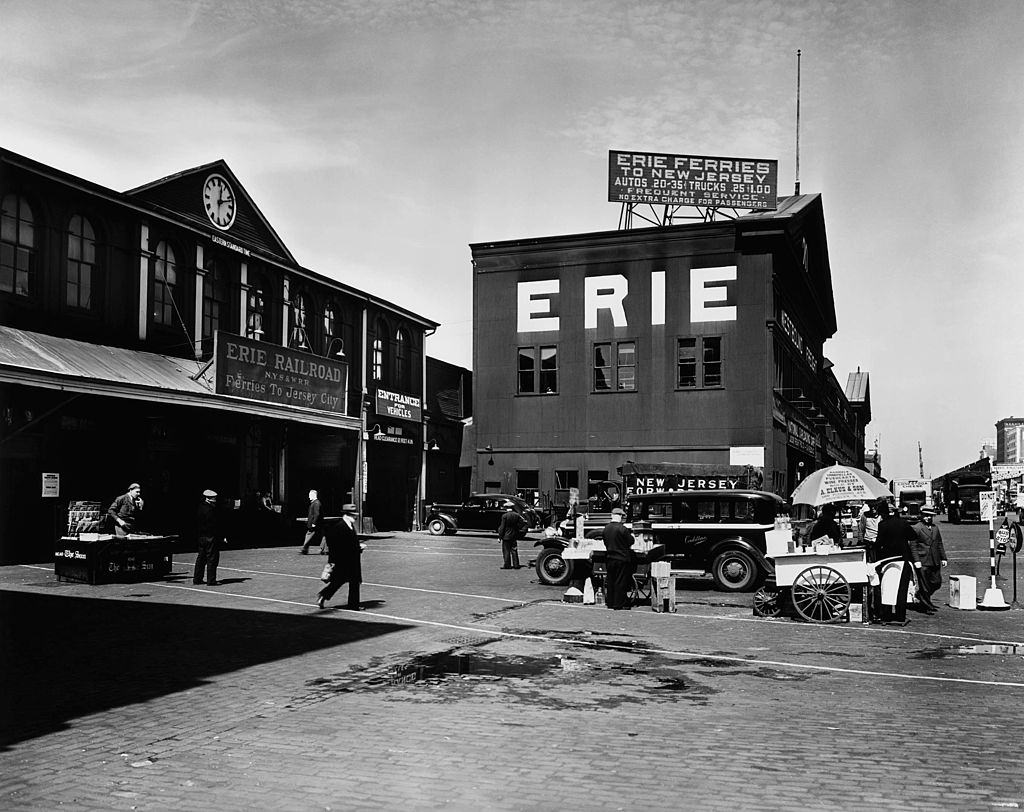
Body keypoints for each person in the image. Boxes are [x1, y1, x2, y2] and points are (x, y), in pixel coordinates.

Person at [873, 500, 922, 626]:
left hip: (888, 560)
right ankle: (900, 616)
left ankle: (887, 615)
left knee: (887, 588)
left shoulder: (883, 524)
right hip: (903, 559)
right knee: (902, 589)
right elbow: (912, 536)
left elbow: (879, 543)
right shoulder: (903, 523)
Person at [317, 504, 363, 610]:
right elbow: (336, 545)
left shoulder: (349, 526)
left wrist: (358, 547)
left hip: (352, 559)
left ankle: (352, 604)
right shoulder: (339, 527)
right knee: (340, 581)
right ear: (346, 515)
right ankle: (324, 595)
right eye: (353, 515)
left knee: (352, 581)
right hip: (343, 560)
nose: (355, 517)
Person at [911, 507, 947, 613]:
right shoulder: (916, 528)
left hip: (934, 559)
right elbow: (913, 546)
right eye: (926, 515)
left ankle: (921, 596)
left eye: (930, 516)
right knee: (924, 584)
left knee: (937, 582)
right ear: (921, 515)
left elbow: (939, 543)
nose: (928, 518)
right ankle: (926, 606)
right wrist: (916, 560)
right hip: (922, 560)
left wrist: (943, 557)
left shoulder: (935, 528)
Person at [602, 507, 636, 610]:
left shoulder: (606, 528)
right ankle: (618, 604)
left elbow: (605, 542)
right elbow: (631, 541)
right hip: (622, 558)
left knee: (611, 581)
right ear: (620, 516)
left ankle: (610, 602)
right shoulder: (623, 529)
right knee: (620, 581)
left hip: (610, 558)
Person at [194, 489, 226, 586]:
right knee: (212, 558)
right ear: (210, 499)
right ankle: (211, 580)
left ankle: (197, 579)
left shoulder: (200, 507)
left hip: (201, 536)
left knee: (201, 558)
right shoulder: (211, 510)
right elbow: (214, 525)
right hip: (210, 536)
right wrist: (221, 536)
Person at [496, 504, 526, 569]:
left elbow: (502, 527)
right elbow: (523, 523)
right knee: (514, 550)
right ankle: (516, 564)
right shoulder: (517, 515)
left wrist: (500, 537)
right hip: (514, 535)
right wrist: (518, 529)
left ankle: (507, 565)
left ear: (507, 508)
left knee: (506, 551)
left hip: (506, 536)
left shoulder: (505, 516)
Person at [300, 489, 324, 555]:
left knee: (309, 534)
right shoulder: (316, 503)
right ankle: (325, 549)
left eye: (310, 495)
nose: (309, 497)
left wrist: (313, 523)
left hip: (315, 524)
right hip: (318, 523)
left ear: (313, 495)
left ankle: (304, 549)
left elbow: (317, 514)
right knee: (323, 535)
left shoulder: (316, 503)